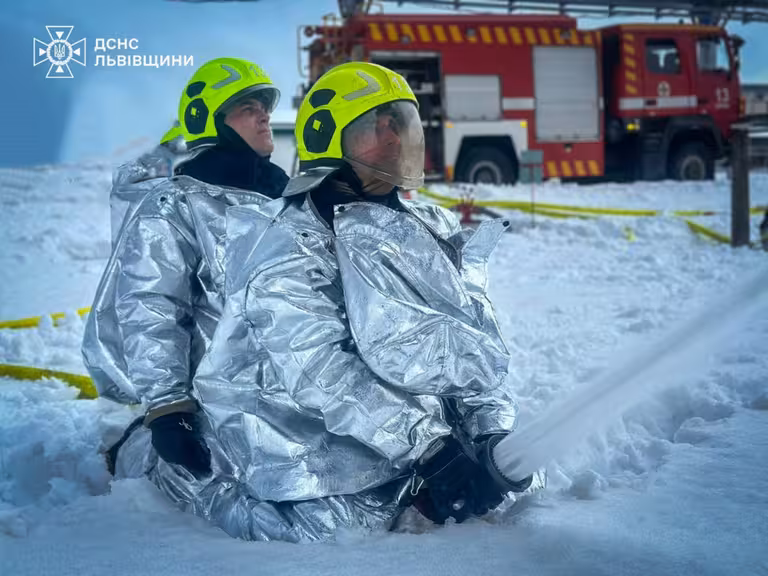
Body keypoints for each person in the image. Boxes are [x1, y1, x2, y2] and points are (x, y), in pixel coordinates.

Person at [104, 61, 533, 543]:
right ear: (331, 136)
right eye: (378, 127)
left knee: (491, 490)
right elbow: (153, 307)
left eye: (401, 124)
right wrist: (168, 406)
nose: (395, 139)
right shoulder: (254, 226)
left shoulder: (424, 226)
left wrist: (487, 431)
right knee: (335, 525)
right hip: (262, 391)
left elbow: (470, 347)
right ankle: (152, 456)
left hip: (368, 408)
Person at [82, 57, 288, 475]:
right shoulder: (174, 207)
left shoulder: (283, 203)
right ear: (209, 122)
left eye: (265, 106)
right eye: (248, 107)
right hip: (204, 409)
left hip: (281, 399)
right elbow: (151, 307)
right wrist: (168, 409)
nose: (265, 115)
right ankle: (134, 449)